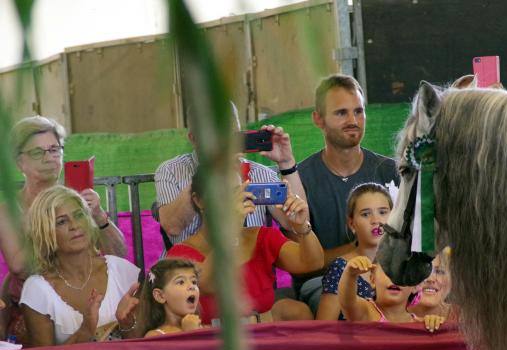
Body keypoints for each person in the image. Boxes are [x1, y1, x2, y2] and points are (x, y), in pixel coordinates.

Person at [1, 115, 128, 342]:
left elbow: (118, 254)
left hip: (94, 299)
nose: (49, 158)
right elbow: (21, 267)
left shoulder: (78, 200)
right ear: (20, 162)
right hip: (33, 310)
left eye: (54, 149)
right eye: (38, 152)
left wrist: (98, 215)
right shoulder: (9, 210)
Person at [294, 74, 400, 314]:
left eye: (359, 111)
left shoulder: (391, 171)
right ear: (318, 119)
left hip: (389, 279)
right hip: (322, 284)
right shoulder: (300, 179)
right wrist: (358, 251)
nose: (353, 120)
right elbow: (300, 263)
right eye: (341, 113)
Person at [166, 174, 323, 324]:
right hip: (213, 346)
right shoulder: (181, 254)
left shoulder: (261, 237)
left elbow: (312, 262)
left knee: (296, 311)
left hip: (265, 340)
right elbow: (207, 284)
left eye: (237, 192)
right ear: (199, 201)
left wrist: (302, 226)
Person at [154, 102, 306, 248]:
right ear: (194, 139)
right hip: (191, 269)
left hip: (249, 267)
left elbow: (295, 222)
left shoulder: (259, 172)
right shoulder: (171, 170)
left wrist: (286, 163)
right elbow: (172, 227)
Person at [20, 186, 140, 346]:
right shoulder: (37, 290)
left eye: (79, 215)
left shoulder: (122, 270)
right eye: (62, 221)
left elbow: (148, 342)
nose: (75, 225)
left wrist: (126, 324)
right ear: (45, 232)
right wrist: (85, 330)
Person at [317, 183, 392, 320]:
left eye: (382, 212)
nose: (376, 221)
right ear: (352, 224)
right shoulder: (340, 267)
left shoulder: (405, 264)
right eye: (365, 214)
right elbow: (324, 328)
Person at [338, 255, 445, 332]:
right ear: (372, 279)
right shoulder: (366, 312)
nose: (395, 278)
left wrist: (433, 323)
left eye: (403, 271)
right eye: (388, 270)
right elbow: (347, 303)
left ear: (415, 286)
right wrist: (350, 274)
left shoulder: (420, 325)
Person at [140, 258, 203, 337]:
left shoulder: (203, 328)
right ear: (160, 296)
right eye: (181, 282)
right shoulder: (154, 335)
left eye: (194, 282)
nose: (192, 286)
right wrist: (190, 333)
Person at [408, 250, 457, 322]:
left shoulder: (468, 319)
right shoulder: (388, 315)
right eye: (422, 270)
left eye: (439, 271)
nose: (431, 279)